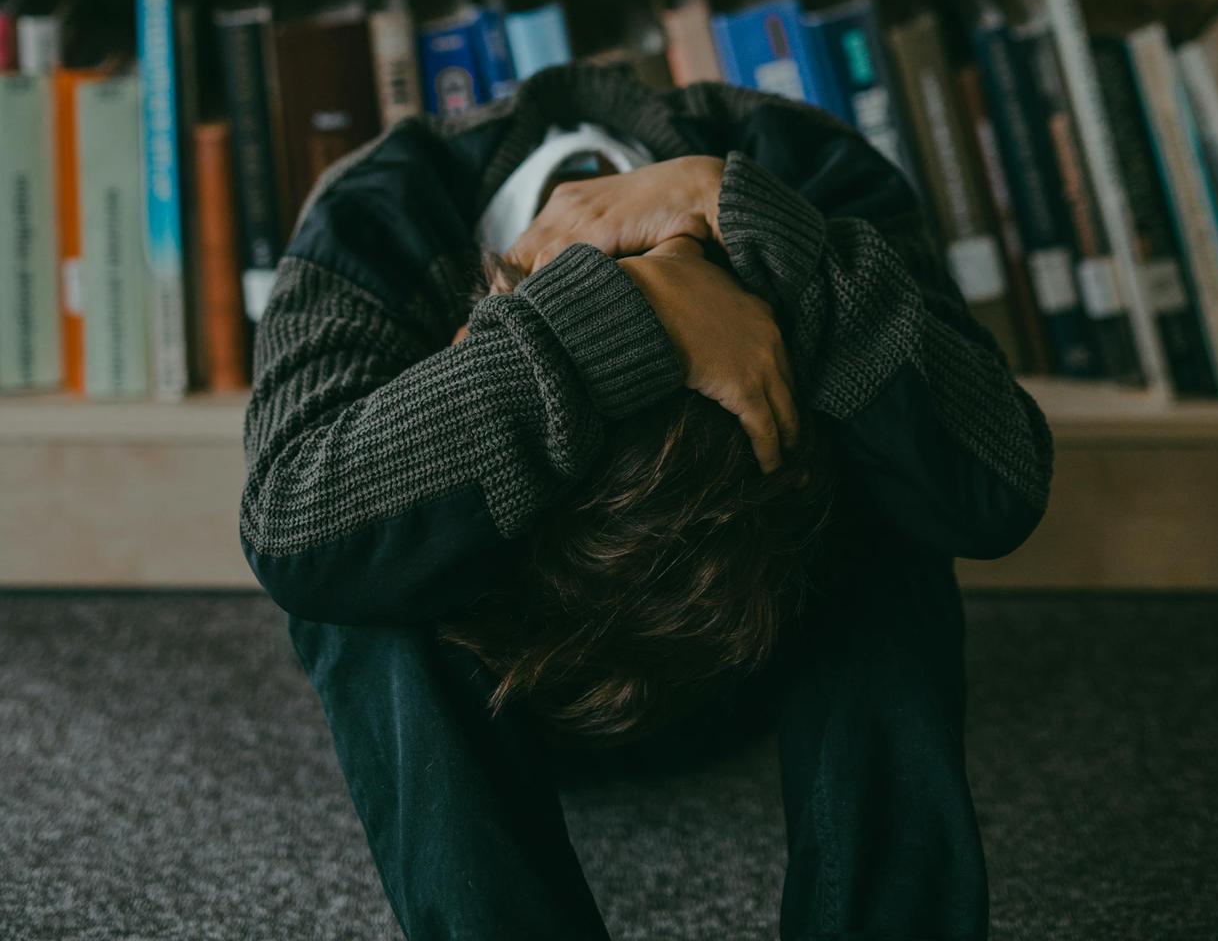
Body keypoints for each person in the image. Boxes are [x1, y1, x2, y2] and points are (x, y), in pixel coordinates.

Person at [241, 61, 1054, 941]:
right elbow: (288, 525)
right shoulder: (377, 206)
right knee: (354, 565)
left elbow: (994, 488)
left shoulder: (802, 161)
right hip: (514, 676)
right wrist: (612, 316)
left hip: (745, 643)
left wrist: (746, 214)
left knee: (903, 474)